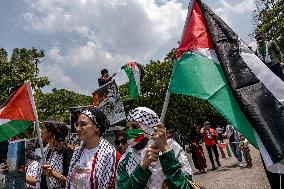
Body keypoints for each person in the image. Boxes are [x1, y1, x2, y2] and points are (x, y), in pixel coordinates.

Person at [116, 107, 194, 189]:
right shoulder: (125, 161)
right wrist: (142, 166)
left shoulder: (173, 148)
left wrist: (166, 152)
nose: (129, 132)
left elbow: (185, 186)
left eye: (135, 127)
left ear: (150, 128)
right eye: (128, 128)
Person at [66, 107, 121, 189]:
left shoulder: (112, 156)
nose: (78, 129)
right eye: (77, 124)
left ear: (97, 128)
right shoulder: (77, 153)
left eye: (83, 124)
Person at [26, 120, 73, 189]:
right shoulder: (45, 152)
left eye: (43, 128)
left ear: (51, 132)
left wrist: (53, 174)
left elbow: (71, 182)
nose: (40, 131)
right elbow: (41, 182)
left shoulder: (67, 153)